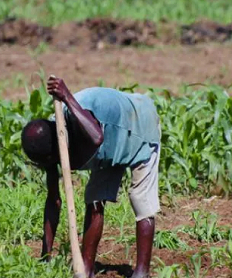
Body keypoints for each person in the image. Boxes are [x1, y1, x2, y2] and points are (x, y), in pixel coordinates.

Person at [21, 76, 162, 278]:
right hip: (108, 150)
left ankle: (141, 272)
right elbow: (54, 200)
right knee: (94, 200)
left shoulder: (72, 121)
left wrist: (67, 95)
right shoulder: (49, 149)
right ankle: (85, 270)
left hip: (138, 125)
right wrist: (46, 254)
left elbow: (97, 137)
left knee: (141, 201)